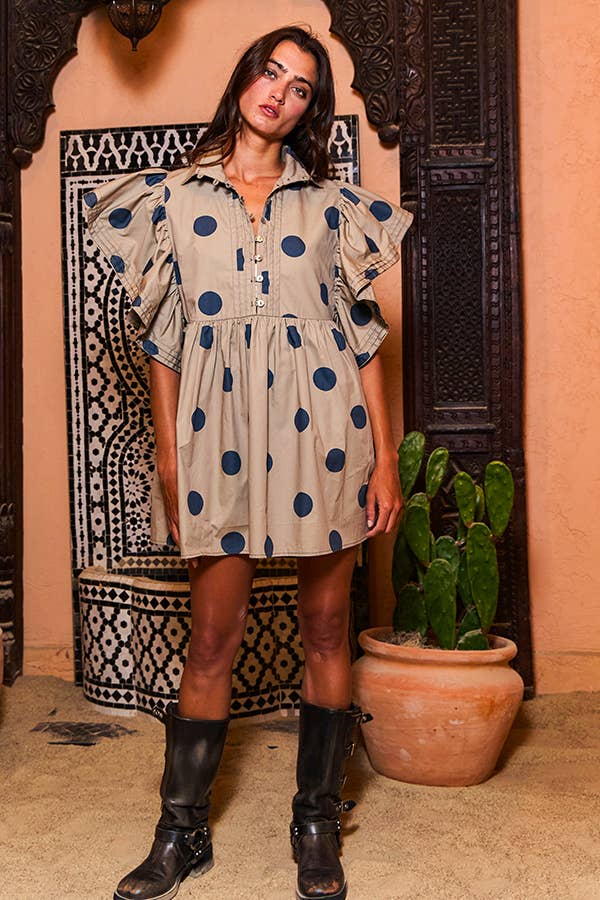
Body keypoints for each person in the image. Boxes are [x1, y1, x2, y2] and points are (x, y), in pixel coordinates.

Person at [84, 24, 413, 900]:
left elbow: (363, 341)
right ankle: (180, 832)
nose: (279, 93)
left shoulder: (331, 207)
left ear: (310, 109)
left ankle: (317, 822)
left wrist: (383, 460)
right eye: (271, 73)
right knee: (212, 638)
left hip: (324, 432)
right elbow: (163, 339)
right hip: (215, 435)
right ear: (243, 79)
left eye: (300, 86)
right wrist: (168, 451)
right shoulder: (171, 198)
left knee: (328, 627)